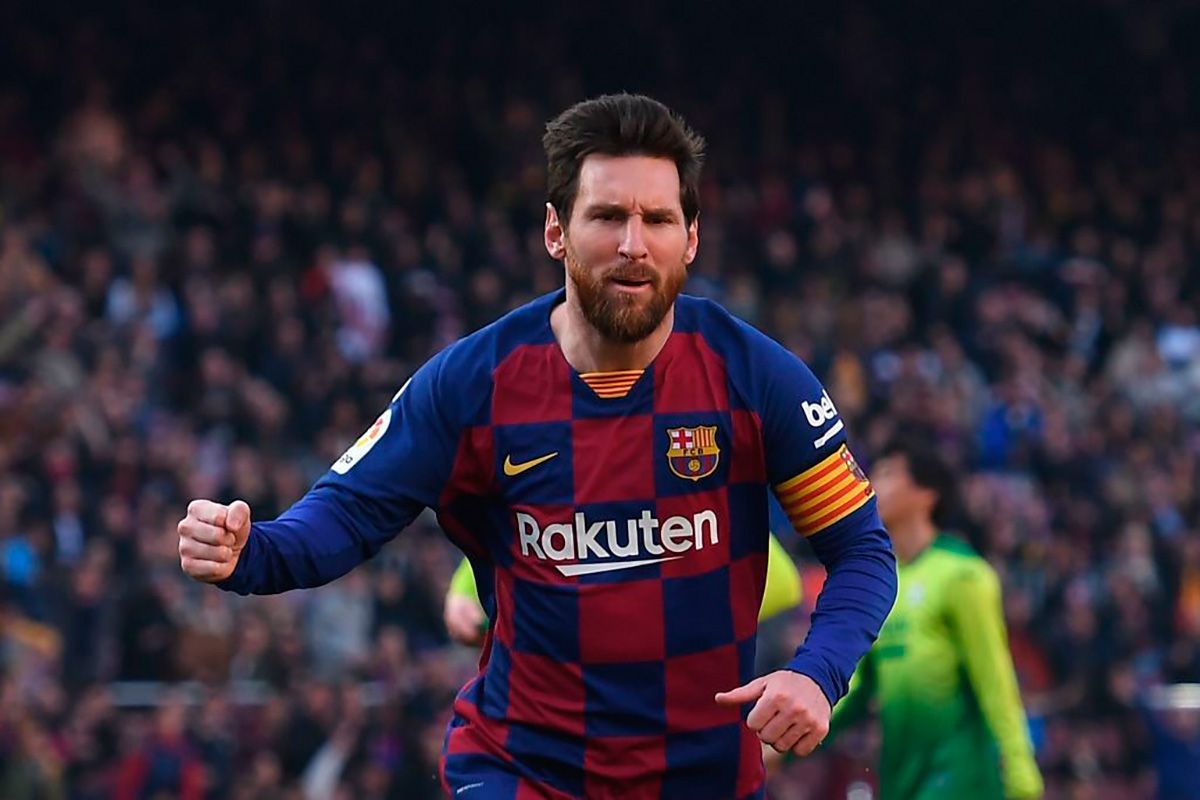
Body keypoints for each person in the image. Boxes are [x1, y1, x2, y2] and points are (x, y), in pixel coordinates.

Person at [177, 93, 897, 799]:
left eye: (658, 219)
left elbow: (862, 550)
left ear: (693, 237)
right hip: (524, 774)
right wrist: (252, 552)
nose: (633, 245)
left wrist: (817, 672)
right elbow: (346, 516)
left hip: (705, 779)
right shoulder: (472, 385)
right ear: (556, 230)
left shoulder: (753, 376)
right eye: (608, 216)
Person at [823, 438, 1043, 799]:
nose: (871, 483)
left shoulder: (962, 574)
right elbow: (858, 686)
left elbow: (995, 679)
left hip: (958, 775)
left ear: (927, 494)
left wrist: (1021, 769)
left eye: (889, 473)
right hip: (899, 774)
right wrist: (792, 736)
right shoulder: (878, 582)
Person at [445, 506, 805, 647]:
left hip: (678, 715)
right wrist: (463, 591)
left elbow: (784, 583)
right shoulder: (557, 450)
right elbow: (527, 526)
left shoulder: (688, 490)